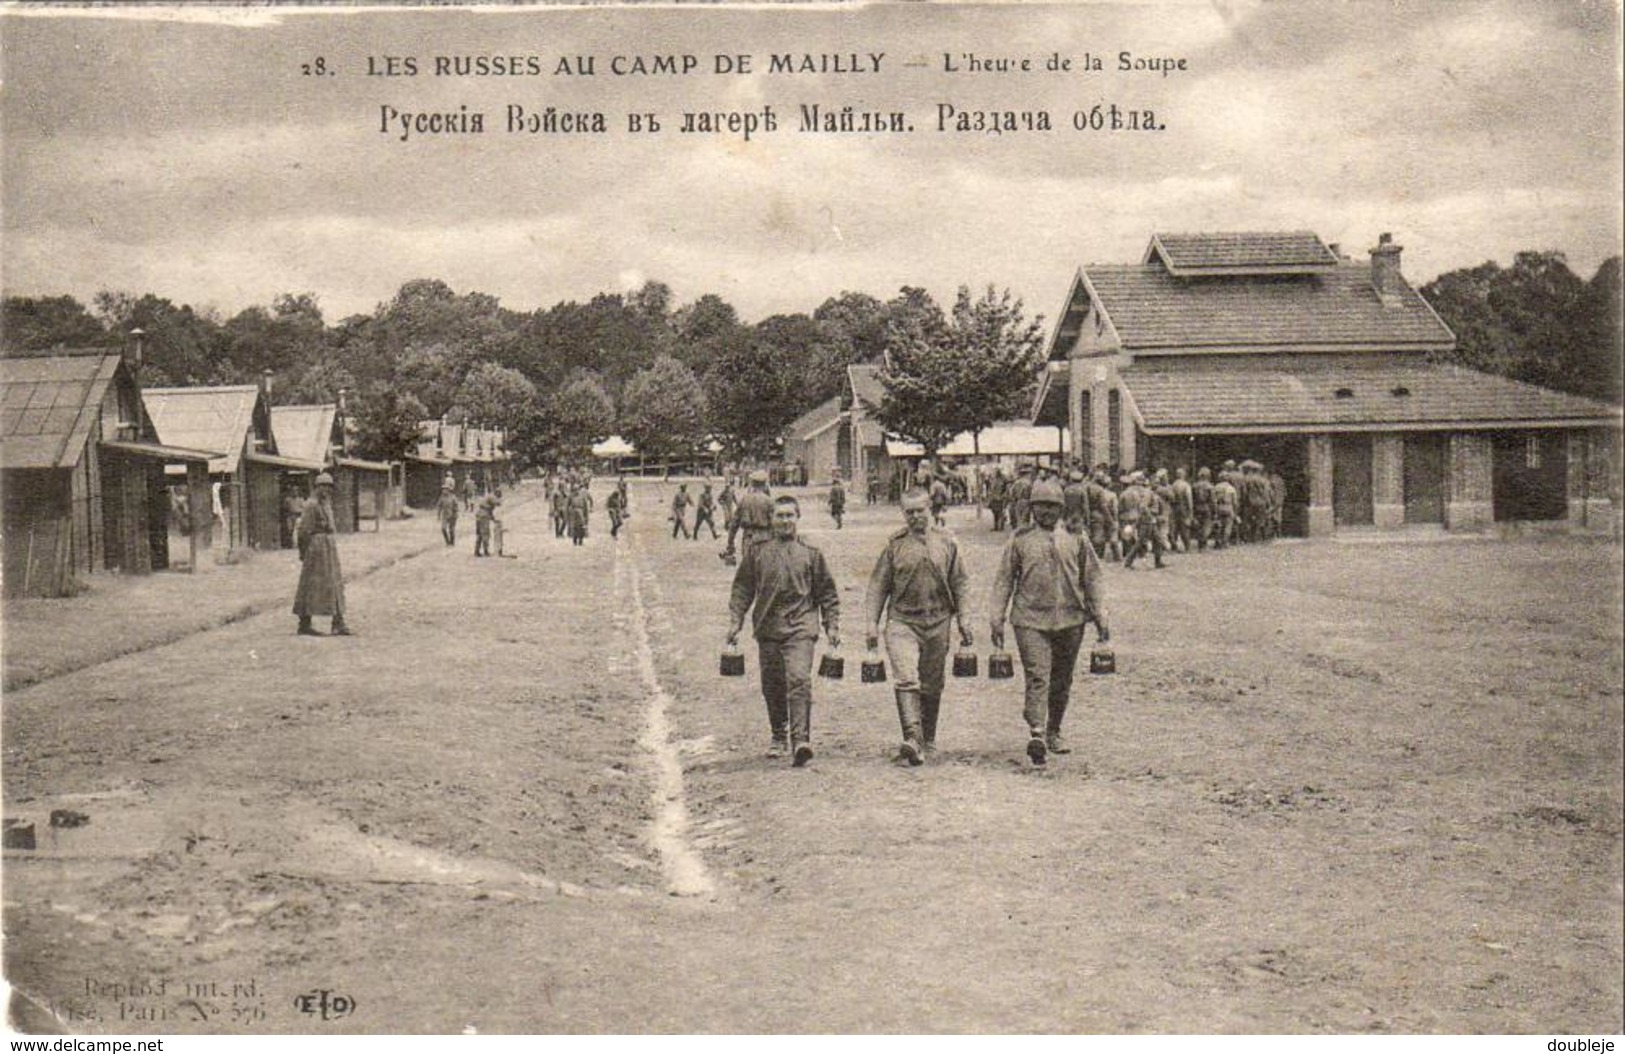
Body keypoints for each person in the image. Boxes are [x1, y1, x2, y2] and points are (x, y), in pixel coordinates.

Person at [988, 479, 1108, 766]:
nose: (1046, 512)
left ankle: (1054, 729)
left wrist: (1102, 614)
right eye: (1040, 506)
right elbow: (1004, 580)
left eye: (1052, 507)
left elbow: (1092, 578)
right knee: (1038, 674)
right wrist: (997, 617)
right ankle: (1037, 732)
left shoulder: (1077, 539)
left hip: (1071, 618)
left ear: (1062, 509)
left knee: (1062, 679)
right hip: (1030, 619)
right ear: (1031, 508)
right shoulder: (1020, 540)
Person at [726, 495, 841, 766]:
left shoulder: (811, 553)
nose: (785, 521)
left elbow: (827, 593)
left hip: (801, 627)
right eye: (780, 515)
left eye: (790, 515)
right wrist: (735, 621)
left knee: (799, 679)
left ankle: (800, 740)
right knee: (773, 683)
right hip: (768, 627)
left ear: (798, 518)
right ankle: (779, 734)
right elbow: (743, 589)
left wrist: (832, 624)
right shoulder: (757, 552)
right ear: (771, 519)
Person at [865, 489, 973, 764]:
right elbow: (878, 585)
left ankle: (929, 738)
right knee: (906, 677)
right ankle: (912, 737)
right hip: (903, 621)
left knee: (932, 683)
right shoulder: (895, 546)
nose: (915, 517)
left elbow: (960, 581)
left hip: (937, 621)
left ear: (930, 510)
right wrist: (871, 623)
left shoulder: (947, 542)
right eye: (909, 512)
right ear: (903, 514)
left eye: (920, 511)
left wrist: (964, 618)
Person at [293, 473, 350, 637]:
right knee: (311, 585)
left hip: (328, 548)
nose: (326, 490)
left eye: (329, 486)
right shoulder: (311, 505)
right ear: (316, 487)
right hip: (315, 549)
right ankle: (304, 623)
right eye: (323, 486)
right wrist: (303, 552)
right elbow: (303, 531)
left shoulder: (326, 504)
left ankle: (338, 623)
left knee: (334, 584)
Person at [723, 469, 774, 561]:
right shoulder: (769, 502)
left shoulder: (744, 500)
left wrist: (730, 543)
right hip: (765, 538)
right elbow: (775, 524)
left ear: (752, 483)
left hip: (748, 538)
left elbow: (734, 524)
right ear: (765, 484)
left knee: (748, 569)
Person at [474, 489, 500, 557]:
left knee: (479, 534)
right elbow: (497, 503)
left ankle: (476, 551)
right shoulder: (492, 496)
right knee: (485, 534)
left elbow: (490, 512)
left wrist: (494, 520)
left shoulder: (488, 497)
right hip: (484, 516)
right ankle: (486, 551)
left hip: (479, 515)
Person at [436, 481, 459, 546]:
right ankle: (447, 541)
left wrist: (456, 514)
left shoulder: (453, 497)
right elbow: (439, 506)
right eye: (443, 489)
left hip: (452, 515)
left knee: (451, 530)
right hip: (445, 516)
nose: (444, 491)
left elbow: (456, 506)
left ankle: (452, 542)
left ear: (449, 490)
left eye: (445, 489)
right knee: (443, 529)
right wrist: (438, 515)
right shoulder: (441, 497)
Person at [986, 467, 1009, 531]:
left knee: (1000, 513)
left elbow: (1006, 489)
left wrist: (1004, 496)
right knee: (995, 513)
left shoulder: (1004, 480)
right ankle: (996, 526)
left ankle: (1000, 527)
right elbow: (990, 488)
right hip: (994, 498)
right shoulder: (993, 479)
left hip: (1000, 498)